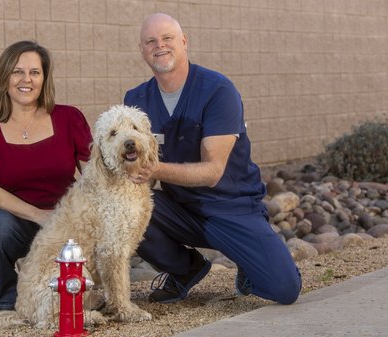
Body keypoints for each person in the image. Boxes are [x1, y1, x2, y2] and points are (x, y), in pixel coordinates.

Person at [124, 13, 302, 305]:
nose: (160, 46)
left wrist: (154, 168)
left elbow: (213, 172)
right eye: (150, 41)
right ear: (142, 49)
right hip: (181, 209)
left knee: (285, 290)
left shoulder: (217, 90)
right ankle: (185, 269)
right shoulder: (136, 99)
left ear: (183, 41)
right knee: (126, 208)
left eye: (167, 38)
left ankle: (248, 260)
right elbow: (140, 166)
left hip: (232, 208)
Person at [0, 40, 92, 311]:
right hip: (15, 222)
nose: (27, 80)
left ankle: (74, 289)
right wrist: (39, 215)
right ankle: (7, 294)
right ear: (5, 77)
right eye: (18, 72)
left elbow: (94, 171)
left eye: (35, 72)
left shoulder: (69, 118)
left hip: (64, 220)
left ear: (44, 78)